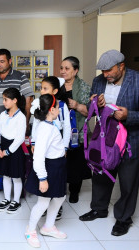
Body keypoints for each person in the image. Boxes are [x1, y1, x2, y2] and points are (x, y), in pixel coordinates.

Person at [79, 50, 139, 237]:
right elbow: (91, 109)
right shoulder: (98, 81)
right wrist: (95, 103)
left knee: (128, 182)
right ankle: (99, 209)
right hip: (105, 138)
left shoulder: (137, 80)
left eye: (108, 71)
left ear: (121, 66)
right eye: (103, 71)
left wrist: (128, 115)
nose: (105, 75)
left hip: (130, 141)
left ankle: (123, 219)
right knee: (101, 174)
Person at [0, 48, 34, 195]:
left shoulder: (20, 77)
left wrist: (26, 123)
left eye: (2, 61)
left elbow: (29, 100)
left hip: (14, 126)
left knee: (14, 155)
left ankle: (16, 185)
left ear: (10, 61)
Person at [25, 94, 67, 248]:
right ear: (51, 109)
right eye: (57, 108)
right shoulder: (45, 129)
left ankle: (48, 226)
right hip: (48, 168)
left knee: (60, 197)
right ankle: (30, 230)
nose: (59, 110)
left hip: (58, 166)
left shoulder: (51, 125)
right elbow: (38, 156)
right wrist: (42, 178)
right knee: (43, 202)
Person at [31, 76, 71, 220]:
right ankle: (43, 203)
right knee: (44, 170)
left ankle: (56, 208)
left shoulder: (61, 106)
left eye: (45, 88)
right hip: (42, 141)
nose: (42, 91)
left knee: (56, 176)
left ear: (55, 91)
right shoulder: (40, 104)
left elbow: (67, 127)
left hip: (56, 142)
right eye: (41, 88)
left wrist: (65, 147)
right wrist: (33, 142)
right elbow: (35, 125)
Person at [57, 56, 91, 203]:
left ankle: (75, 191)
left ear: (75, 71)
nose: (63, 71)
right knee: (60, 162)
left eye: (67, 68)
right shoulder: (57, 86)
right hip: (59, 132)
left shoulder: (83, 87)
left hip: (78, 132)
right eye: (61, 68)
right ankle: (59, 190)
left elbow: (91, 112)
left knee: (76, 163)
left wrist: (77, 106)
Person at [0, 88, 26, 213]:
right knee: (6, 175)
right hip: (2, 145)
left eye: (5, 99)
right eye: (3, 99)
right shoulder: (3, 114)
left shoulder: (21, 117)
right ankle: (7, 199)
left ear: (15, 100)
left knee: (16, 176)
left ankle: (16, 201)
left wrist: (7, 151)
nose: (3, 102)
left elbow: (20, 138)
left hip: (14, 149)